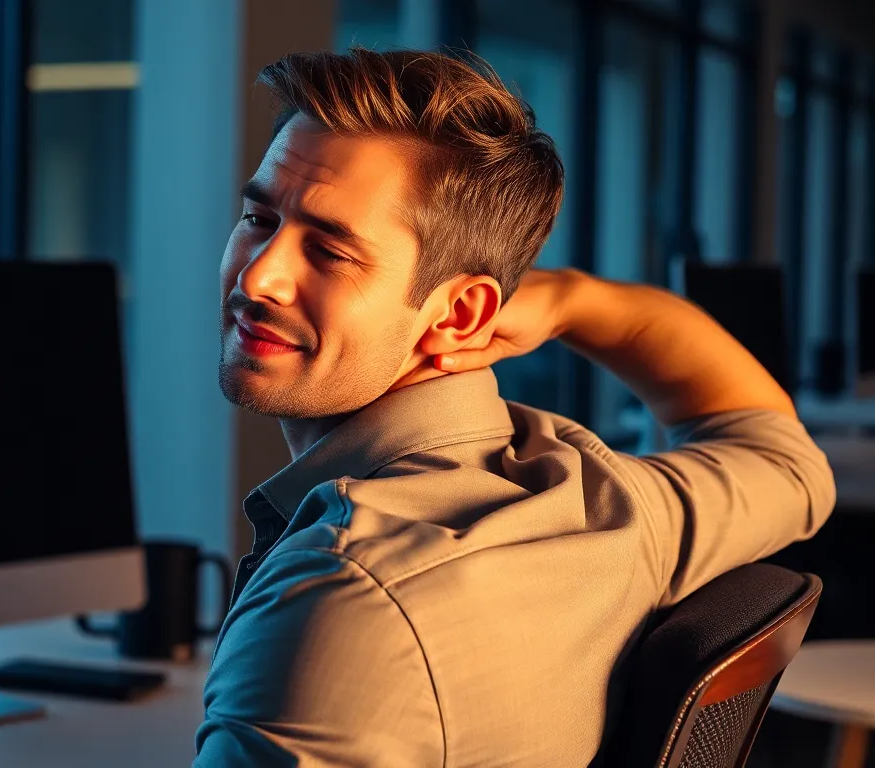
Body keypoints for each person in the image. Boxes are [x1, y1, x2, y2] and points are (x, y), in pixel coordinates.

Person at [195, 48, 835, 767]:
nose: (260, 275)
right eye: (259, 216)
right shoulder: (606, 506)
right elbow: (781, 455)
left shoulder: (339, 600)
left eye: (332, 252)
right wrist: (576, 302)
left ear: (462, 313)